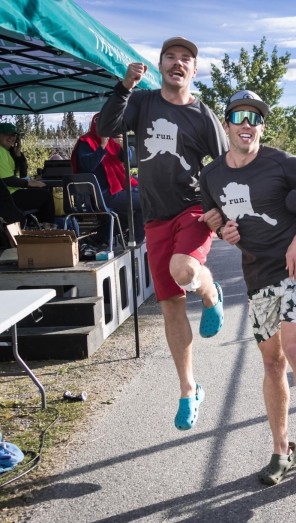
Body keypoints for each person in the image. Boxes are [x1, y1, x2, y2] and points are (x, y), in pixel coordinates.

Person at [97, 37, 228, 431]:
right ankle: (189, 390)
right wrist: (124, 87)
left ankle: (210, 292)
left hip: (192, 209)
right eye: (170, 57)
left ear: (193, 69)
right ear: (160, 66)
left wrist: (221, 208)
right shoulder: (143, 102)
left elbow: (223, 165)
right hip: (154, 215)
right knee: (170, 304)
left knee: (183, 270)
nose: (178, 62)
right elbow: (106, 128)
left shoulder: (202, 114)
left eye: (186, 58)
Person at [200, 90, 296, 484]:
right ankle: (280, 450)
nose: (246, 123)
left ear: (261, 126)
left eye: (254, 118)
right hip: (257, 277)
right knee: (272, 363)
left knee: (293, 347)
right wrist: (223, 230)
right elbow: (213, 218)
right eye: (238, 115)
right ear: (226, 125)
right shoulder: (212, 175)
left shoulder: (281, 161)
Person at [72, 113, 145, 243]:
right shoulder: (86, 141)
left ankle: (94, 239)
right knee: (148, 199)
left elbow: (125, 160)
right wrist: (102, 147)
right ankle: (137, 241)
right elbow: (87, 166)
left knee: (134, 208)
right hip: (102, 195)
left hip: (115, 191)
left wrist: (124, 147)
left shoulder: (112, 141)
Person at [0, 122, 55, 225]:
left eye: (14, 135)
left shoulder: (7, 152)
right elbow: (6, 180)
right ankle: (47, 229)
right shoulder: (0, 151)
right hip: (7, 198)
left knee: (41, 192)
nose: (11, 137)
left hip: (10, 194)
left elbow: (23, 174)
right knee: (46, 195)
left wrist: (19, 155)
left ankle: (34, 226)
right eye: (7, 134)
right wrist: (28, 183)